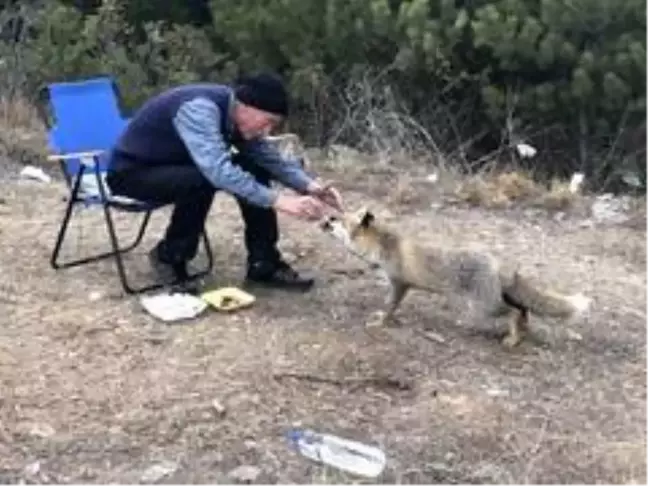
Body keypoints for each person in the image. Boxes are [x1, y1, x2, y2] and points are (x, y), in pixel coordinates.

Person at [105, 72, 343, 292]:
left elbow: (267, 157)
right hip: (133, 173)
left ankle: (264, 263)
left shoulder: (236, 114)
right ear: (246, 107)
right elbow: (217, 170)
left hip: (174, 168)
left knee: (251, 164)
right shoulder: (199, 109)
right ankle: (169, 256)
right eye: (267, 121)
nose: (267, 130)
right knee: (202, 179)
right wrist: (279, 200)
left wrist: (309, 186)